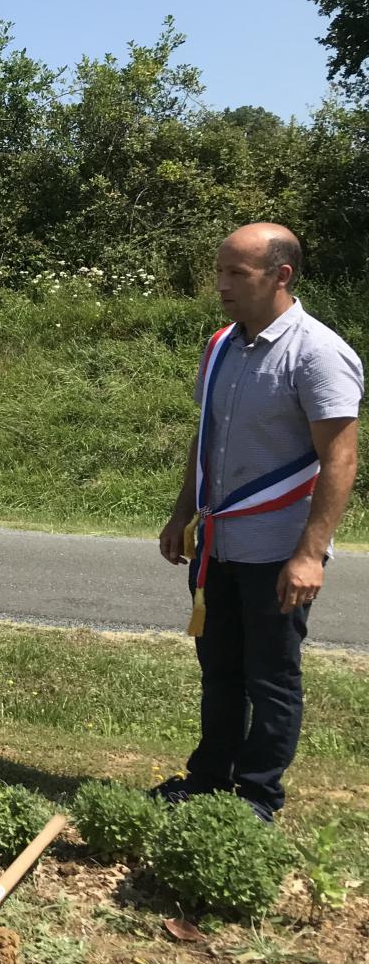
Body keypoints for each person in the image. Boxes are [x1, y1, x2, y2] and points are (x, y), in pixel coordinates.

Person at [156, 223, 362, 822]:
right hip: (219, 545)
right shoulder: (221, 345)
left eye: (235, 274)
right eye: (219, 271)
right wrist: (182, 514)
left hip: (279, 551)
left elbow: (341, 459)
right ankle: (207, 780)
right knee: (219, 669)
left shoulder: (318, 352)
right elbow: (206, 438)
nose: (220, 285)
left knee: (269, 678)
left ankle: (258, 797)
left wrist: (309, 553)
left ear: (281, 275)